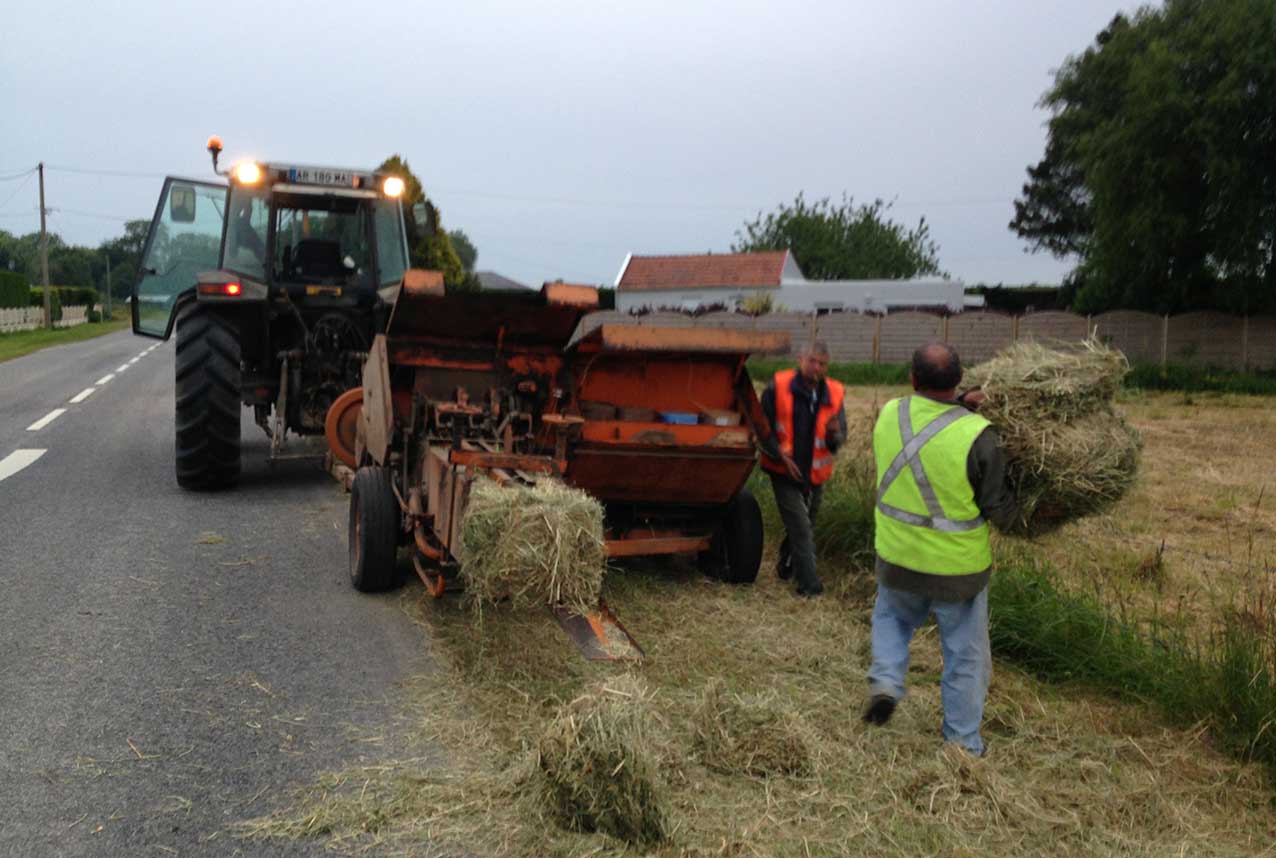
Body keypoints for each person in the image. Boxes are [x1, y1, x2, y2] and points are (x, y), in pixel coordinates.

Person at [862, 341, 1018, 756]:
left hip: (898, 558)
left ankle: (887, 681)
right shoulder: (980, 435)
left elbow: (929, 426)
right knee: (964, 657)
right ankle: (962, 745)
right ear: (959, 380)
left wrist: (959, 404)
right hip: (958, 571)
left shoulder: (890, 413)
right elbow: (998, 508)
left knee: (891, 619)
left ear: (912, 379)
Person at [758, 341, 847, 597]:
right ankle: (810, 586)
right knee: (801, 527)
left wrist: (835, 436)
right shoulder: (778, 386)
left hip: (816, 474)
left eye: (822, 364)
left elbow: (838, 441)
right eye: (812, 361)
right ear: (800, 360)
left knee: (805, 524)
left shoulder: (835, 393)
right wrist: (780, 457)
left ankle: (786, 562)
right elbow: (762, 429)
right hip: (783, 470)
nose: (817, 368)